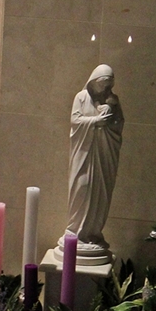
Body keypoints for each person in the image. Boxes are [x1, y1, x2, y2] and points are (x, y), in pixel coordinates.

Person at [63, 64, 124, 258]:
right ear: (93, 81)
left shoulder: (113, 101)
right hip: (84, 154)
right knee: (81, 187)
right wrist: (96, 121)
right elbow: (75, 121)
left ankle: (92, 233)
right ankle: (74, 230)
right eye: (102, 84)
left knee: (100, 192)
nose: (105, 89)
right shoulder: (81, 97)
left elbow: (119, 124)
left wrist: (110, 115)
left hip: (103, 155)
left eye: (108, 85)